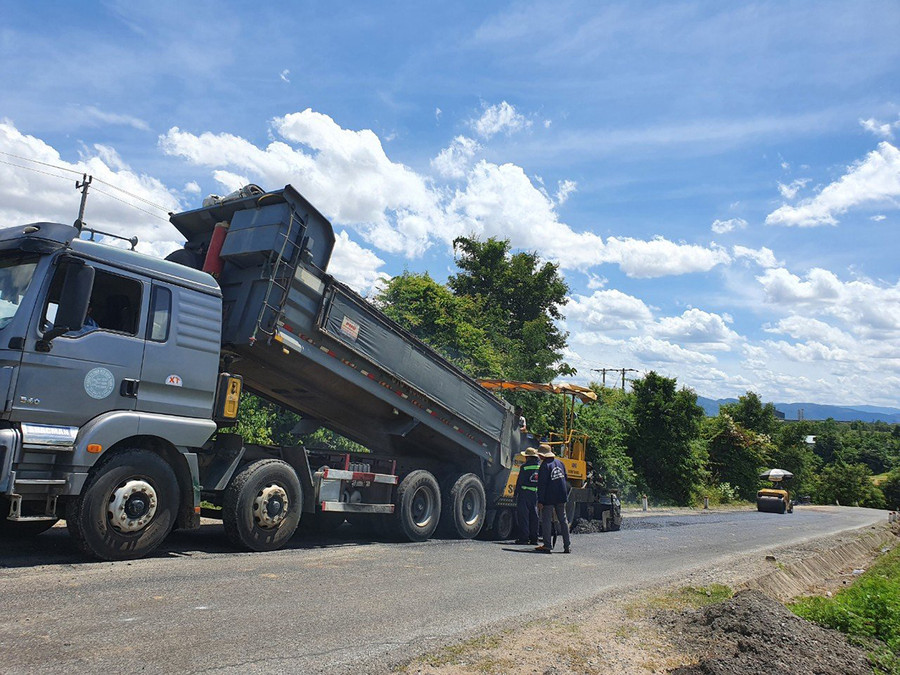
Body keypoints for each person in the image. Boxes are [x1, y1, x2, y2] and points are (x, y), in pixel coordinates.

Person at [535, 444, 571, 554]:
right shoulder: (560, 463)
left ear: (543, 455)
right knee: (563, 521)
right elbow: (565, 478)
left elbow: (542, 485)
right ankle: (567, 546)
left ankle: (547, 545)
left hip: (549, 497)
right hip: (561, 496)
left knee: (546, 520)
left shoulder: (545, 466)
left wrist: (540, 501)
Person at [513, 447, 540, 545]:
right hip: (535, 494)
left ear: (528, 457)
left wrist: (515, 494)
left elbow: (519, 481)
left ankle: (524, 539)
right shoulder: (539, 467)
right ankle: (534, 539)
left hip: (524, 494)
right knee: (534, 516)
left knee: (523, 516)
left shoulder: (524, 467)